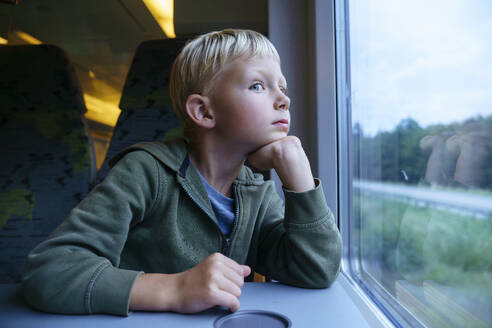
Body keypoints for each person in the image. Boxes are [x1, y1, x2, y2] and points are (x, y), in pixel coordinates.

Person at [21, 29, 342, 316]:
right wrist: (175, 289)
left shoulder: (257, 193)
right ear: (203, 111)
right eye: (258, 85)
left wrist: (298, 176)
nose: (284, 99)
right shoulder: (145, 172)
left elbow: (316, 270)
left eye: (283, 88)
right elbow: (49, 271)